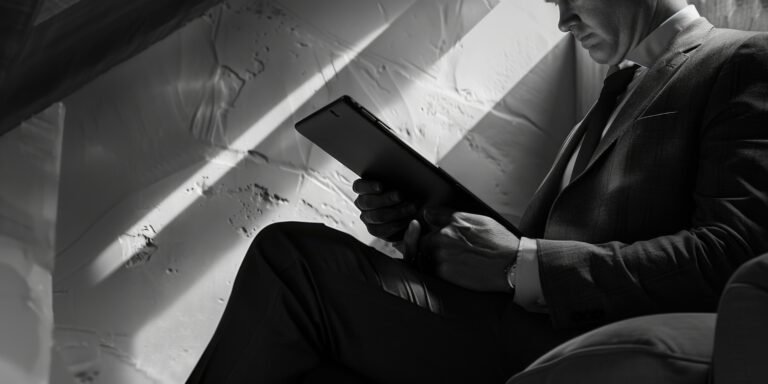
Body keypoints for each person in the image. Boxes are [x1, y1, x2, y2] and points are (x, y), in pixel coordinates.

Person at [186, 0, 768, 383]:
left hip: (576, 338)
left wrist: (522, 265)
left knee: (295, 262)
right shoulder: (611, 96)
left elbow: (733, 253)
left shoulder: (741, 60)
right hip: (518, 325)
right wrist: (431, 235)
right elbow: (527, 251)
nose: (563, 19)